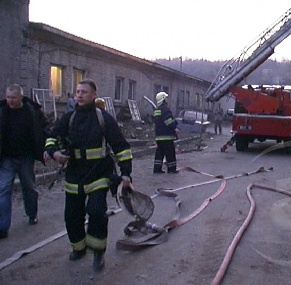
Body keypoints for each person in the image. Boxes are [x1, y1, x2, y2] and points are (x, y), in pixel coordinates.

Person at [44, 79, 132, 271]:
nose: (80, 95)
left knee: (96, 212)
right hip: (74, 176)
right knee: (72, 216)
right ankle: (79, 248)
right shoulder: (69, 118)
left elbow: (121, 147)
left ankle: (98, 252)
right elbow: (51, 138)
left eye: (84, 92)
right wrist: (55, 153)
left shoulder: (103, 118)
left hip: (100, 173)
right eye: (77, 92)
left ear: (93, 95)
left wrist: (126, 174)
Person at [0, 84, 50, 239]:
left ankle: (32, 213)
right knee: (3, 190)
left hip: (25, 158)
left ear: (20, 97)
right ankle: (3, 227)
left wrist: (47, 148)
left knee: (29, 188)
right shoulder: (2, 111)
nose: (10, 100)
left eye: (13, 97)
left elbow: (45, 129)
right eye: (8, 97)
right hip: (6, 158)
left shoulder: (32, 112)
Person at [153, 92, 179, 174]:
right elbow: (169, 122)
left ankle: (157, 169)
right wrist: (175, 124)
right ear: (163, 99)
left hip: (159, 136)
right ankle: (172, 169)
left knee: (159, 153)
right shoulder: (165, 109)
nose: (167, 100)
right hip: (167, 136)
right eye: (166, 98)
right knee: (170, 153)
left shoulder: (157, 110)